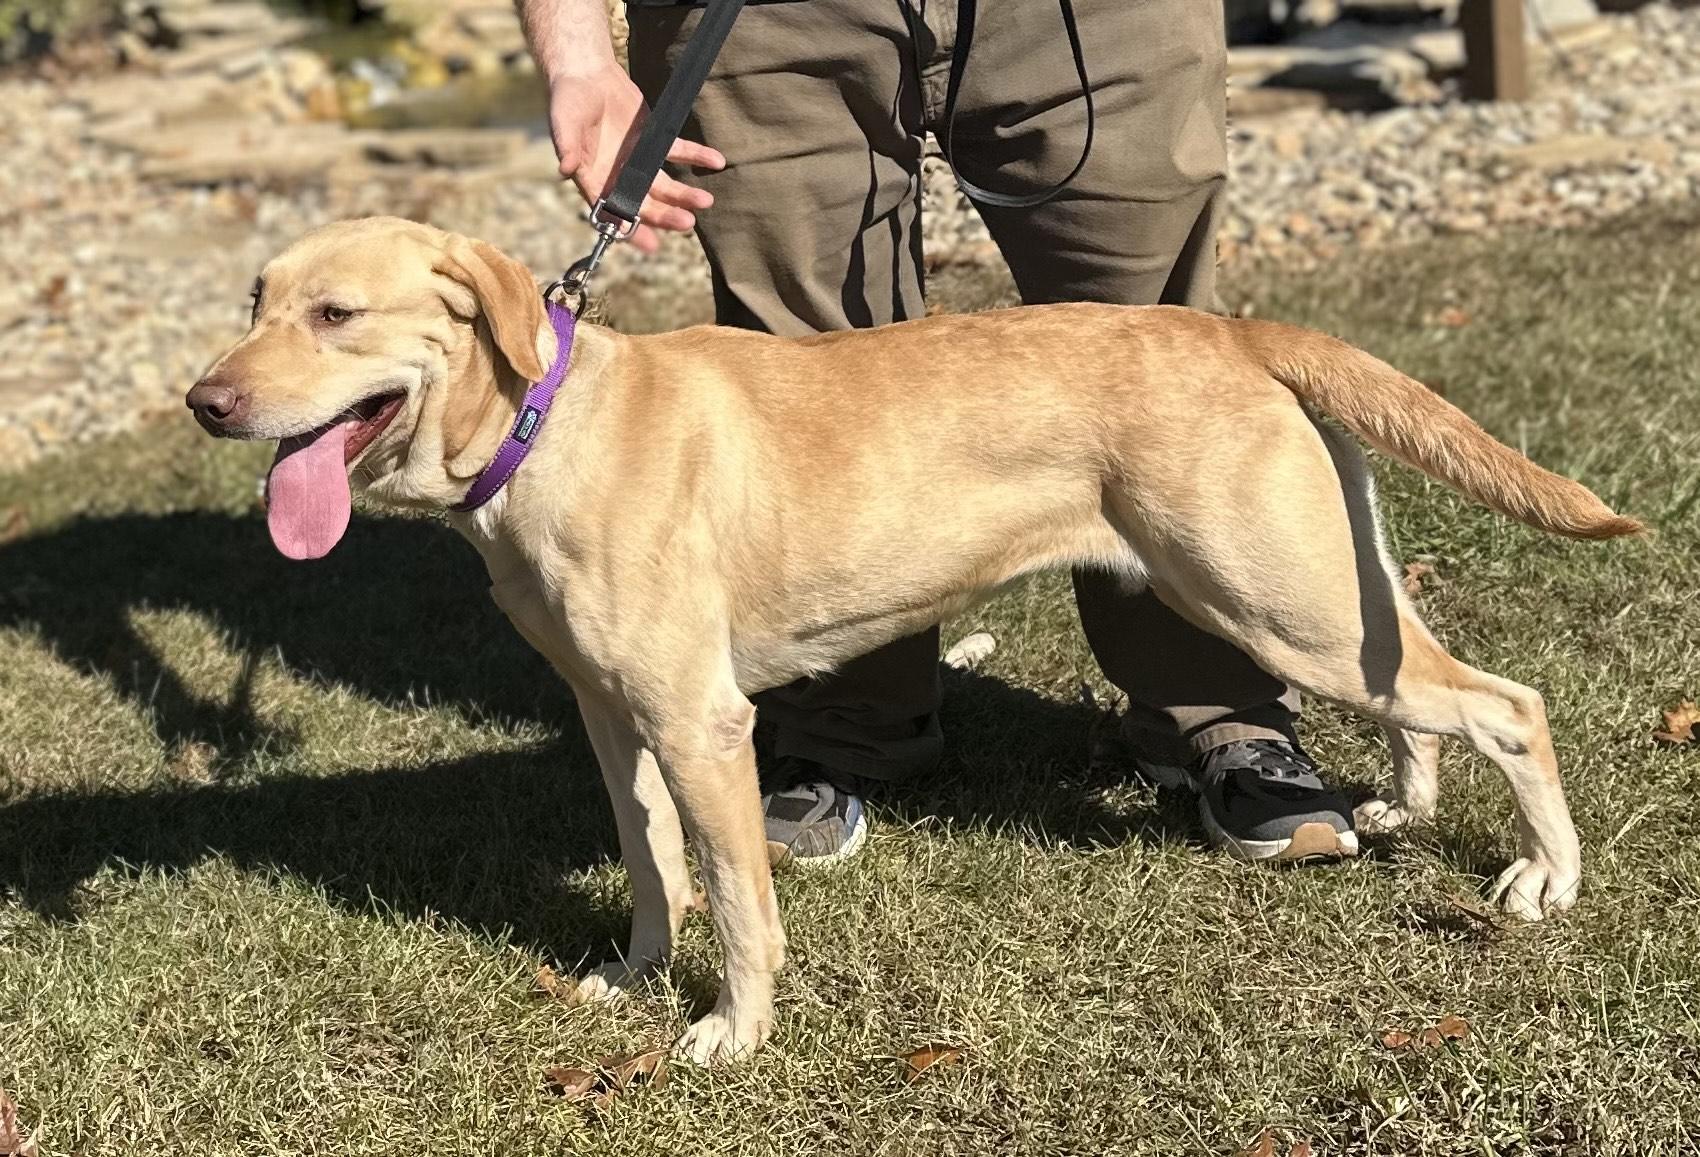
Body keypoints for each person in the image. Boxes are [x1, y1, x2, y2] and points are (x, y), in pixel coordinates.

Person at [517, 0, 1356, 867]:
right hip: (767, 18)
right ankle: (840, 724)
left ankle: (1219, 709)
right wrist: (576, 53)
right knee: (800, 375)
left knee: (1159, 353)